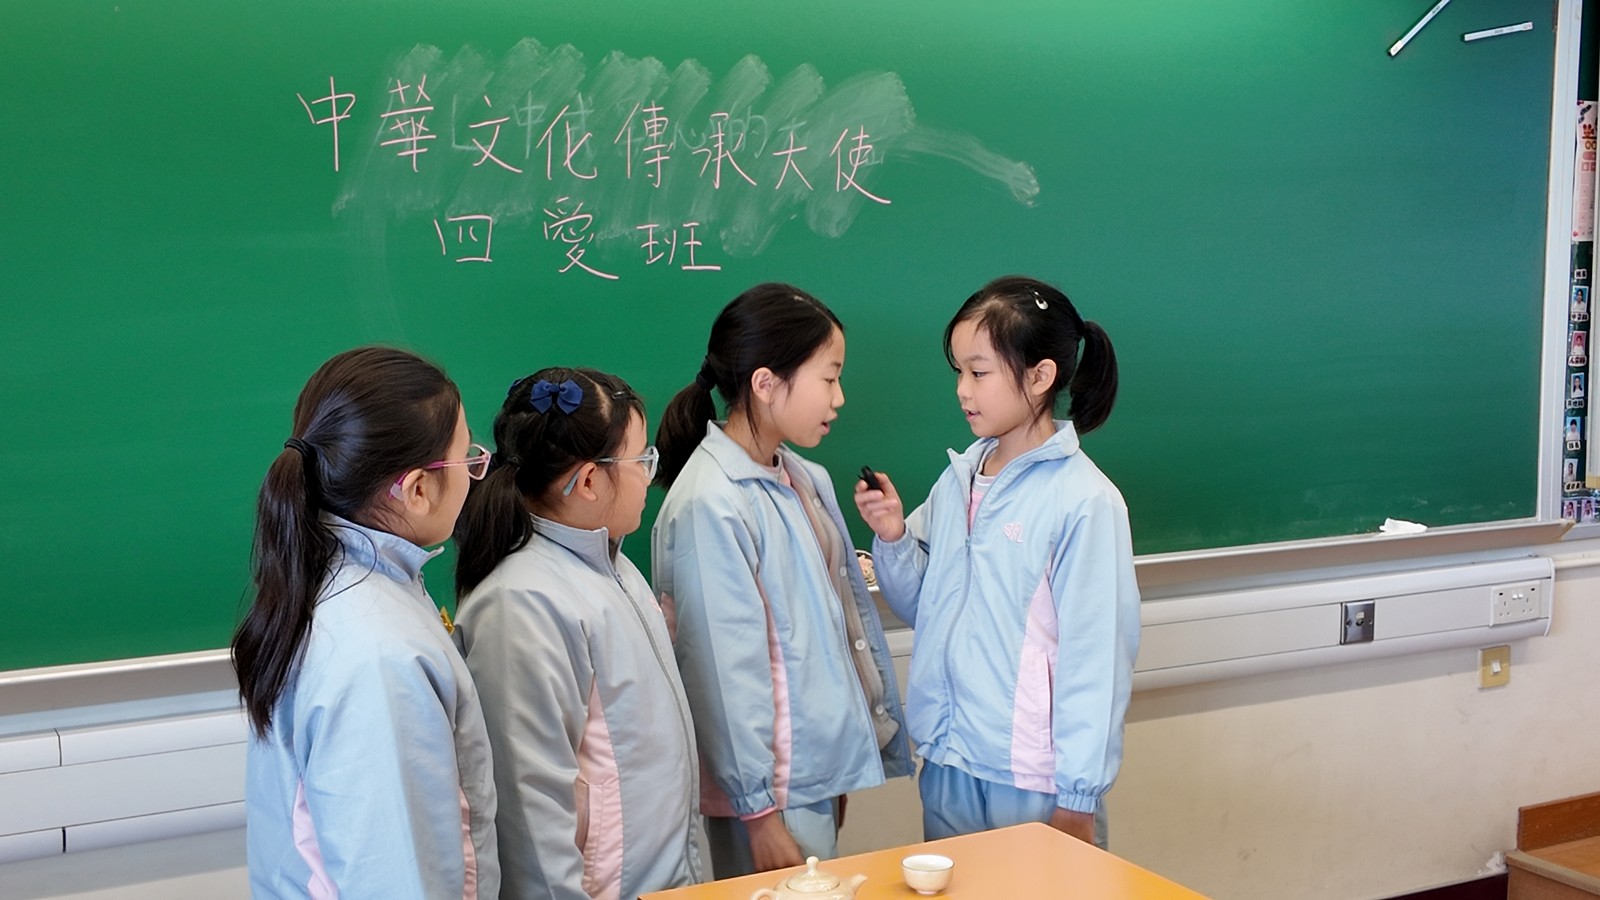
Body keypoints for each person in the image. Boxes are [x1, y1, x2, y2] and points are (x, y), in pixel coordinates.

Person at [855, 275, 1140, 848]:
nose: (963, 390)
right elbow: (925, 608)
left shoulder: (1084, 501)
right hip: (950, 757)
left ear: (1039, 376)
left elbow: (1097, 658)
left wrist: (1078, 796)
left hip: (1034, 778)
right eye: (958, 371)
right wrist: (893, 538)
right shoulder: (958, 481)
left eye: (979, 372)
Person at [653, 283, 913, 877]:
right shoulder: (711, 503)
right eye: (829, 378)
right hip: (767, 793)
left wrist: (839, 759)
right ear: (766, 383)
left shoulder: (802, 476)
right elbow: (722, 672)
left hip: (812, 774)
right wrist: (759, 815)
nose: (839, 398)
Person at [232, 346, 499, 898]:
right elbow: (396, 877)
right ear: (417, 490)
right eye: (467, 459)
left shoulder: (342, 589)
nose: (476, 476)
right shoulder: (380, 653)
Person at [454, 368, 703, 899]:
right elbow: (531, 809)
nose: (649, 476)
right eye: (642, 461)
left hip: (662, 881)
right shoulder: (521, 602)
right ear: (589, 481)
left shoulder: (613, 563)